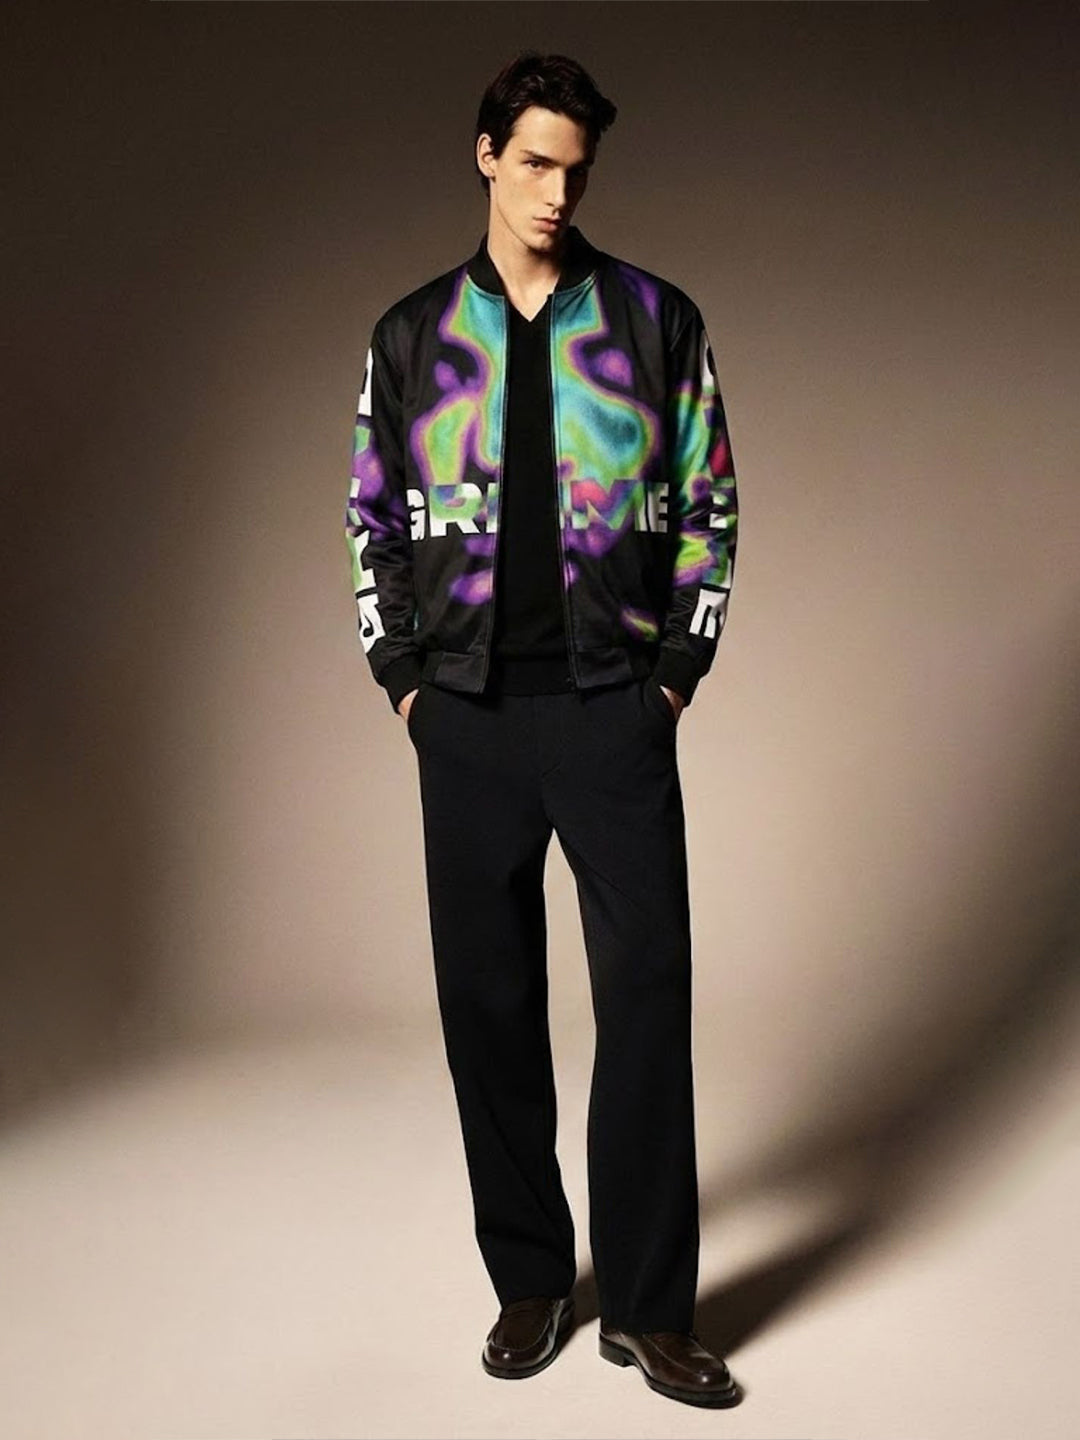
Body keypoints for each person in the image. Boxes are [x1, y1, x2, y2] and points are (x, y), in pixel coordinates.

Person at [344, 51, 741, 1409]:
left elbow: (711, 500)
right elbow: (370, 515)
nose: (557, 193)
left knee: (647, 999)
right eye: (533, 163)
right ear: (485, 155)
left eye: (576, 169)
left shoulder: (654, 320)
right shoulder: (411, 336)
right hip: (464, 714)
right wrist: (404, 678)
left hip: (610, 709)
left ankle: (652, 1308)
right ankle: (529, 1279)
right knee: (489, 1005)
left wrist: (674, 672)